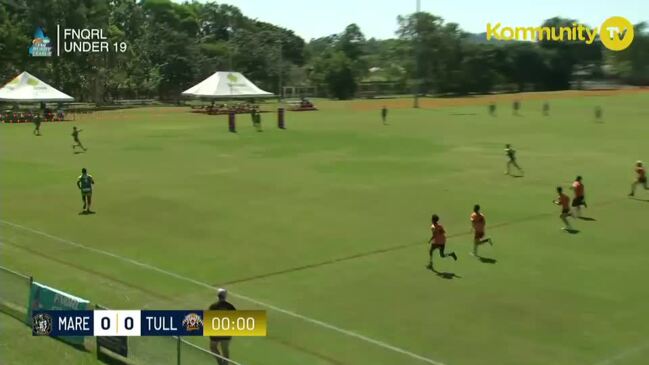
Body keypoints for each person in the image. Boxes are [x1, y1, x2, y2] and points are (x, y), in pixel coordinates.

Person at [209, 288, 236, 365]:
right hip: (227, 331)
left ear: (218, 296)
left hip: (216, 331)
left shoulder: (213, 306)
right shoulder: (230, 306)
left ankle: (220, 362)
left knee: (213, 347)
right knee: (225, 349)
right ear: (225, 296)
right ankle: (224, 364)